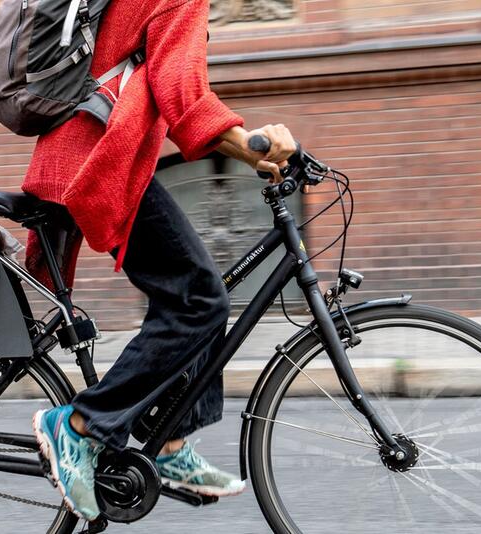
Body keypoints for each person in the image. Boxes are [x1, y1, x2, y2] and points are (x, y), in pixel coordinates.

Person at [23, 0, 297, 521]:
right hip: (99, 160)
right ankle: (79, 426)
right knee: (201, 300)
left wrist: (253, 154)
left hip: (91, 153)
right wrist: (253, 143)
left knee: (195, 294)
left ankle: (168, 444)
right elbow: (183, 96)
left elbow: (161, 90)